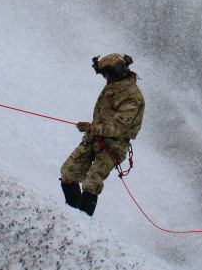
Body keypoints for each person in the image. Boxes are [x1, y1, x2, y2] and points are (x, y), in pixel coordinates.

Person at [60, 53, 145, 216]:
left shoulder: (133, 97)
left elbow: (118, 128)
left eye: (106, 73)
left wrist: (92, 128)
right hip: (94, 139)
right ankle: (71, 215)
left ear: (115, 73)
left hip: (114, 145)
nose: (105, 77)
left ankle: (82, 221)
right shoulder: (113, 86)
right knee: (68, 172)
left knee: (92, 182)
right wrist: (93, 131)